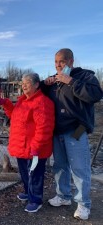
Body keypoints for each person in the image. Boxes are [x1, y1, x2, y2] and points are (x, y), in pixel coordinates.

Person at [41, 48, 103, 220]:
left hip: (77, 129)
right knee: (60, 166)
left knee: (79, 167)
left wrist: (71, 81)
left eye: (61, 61)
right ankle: (63, 196)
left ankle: (83, 204)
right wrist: (44, 84)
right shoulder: (55, 81)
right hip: (58, 130)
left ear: (71, 61)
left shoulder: (85, 77)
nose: (58, 66)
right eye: (56, 62)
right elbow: (39, 92)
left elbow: (96, 95)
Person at [0, 73, 55, 213]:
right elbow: (14, 116)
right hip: (22, 146)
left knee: (35, 175)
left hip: (34, 148)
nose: (23, 85)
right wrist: (6, 104)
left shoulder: (42, 102)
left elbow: (44, 128)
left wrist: (36, 146)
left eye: (27, 82)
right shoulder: (23, 101)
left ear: (36, 85)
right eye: (22, 82)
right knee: (25, 173)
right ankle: (29, 193)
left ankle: (36, 200)